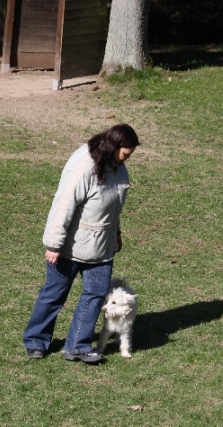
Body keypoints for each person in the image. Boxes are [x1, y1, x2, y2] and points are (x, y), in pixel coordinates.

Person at [23, 123, 139, 363]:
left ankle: (77, 346)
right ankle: (36, 341)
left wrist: (116, 233)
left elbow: (113, 206)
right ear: (115, 146)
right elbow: (63, 205)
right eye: (126, 154)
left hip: (101, 245)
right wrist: (54, 244)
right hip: (70, 246)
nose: (128, 159)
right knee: (55, 293)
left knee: (96, 294)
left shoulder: (118, 167)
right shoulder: (84, 166)